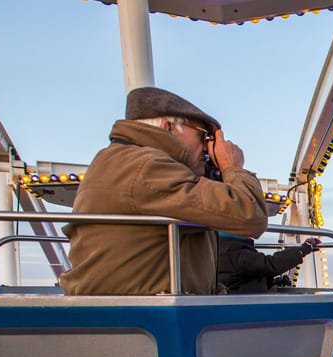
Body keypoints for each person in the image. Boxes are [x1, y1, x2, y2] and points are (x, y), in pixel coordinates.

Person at [62, 86, 268, 295]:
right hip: (142, 319)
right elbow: (249, 215)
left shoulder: (121, 160)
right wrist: (232, 166)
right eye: (203, 136)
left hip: (132, 314)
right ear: (168, 126)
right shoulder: (146, 167)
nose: (207, 148)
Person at [217, 234, 320, 293]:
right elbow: (269, 264)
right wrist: (303, 250)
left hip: (245, 299)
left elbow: (250, 274)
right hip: (245, 306)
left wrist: (272, 283)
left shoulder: (225, 247)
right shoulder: (233, 251)